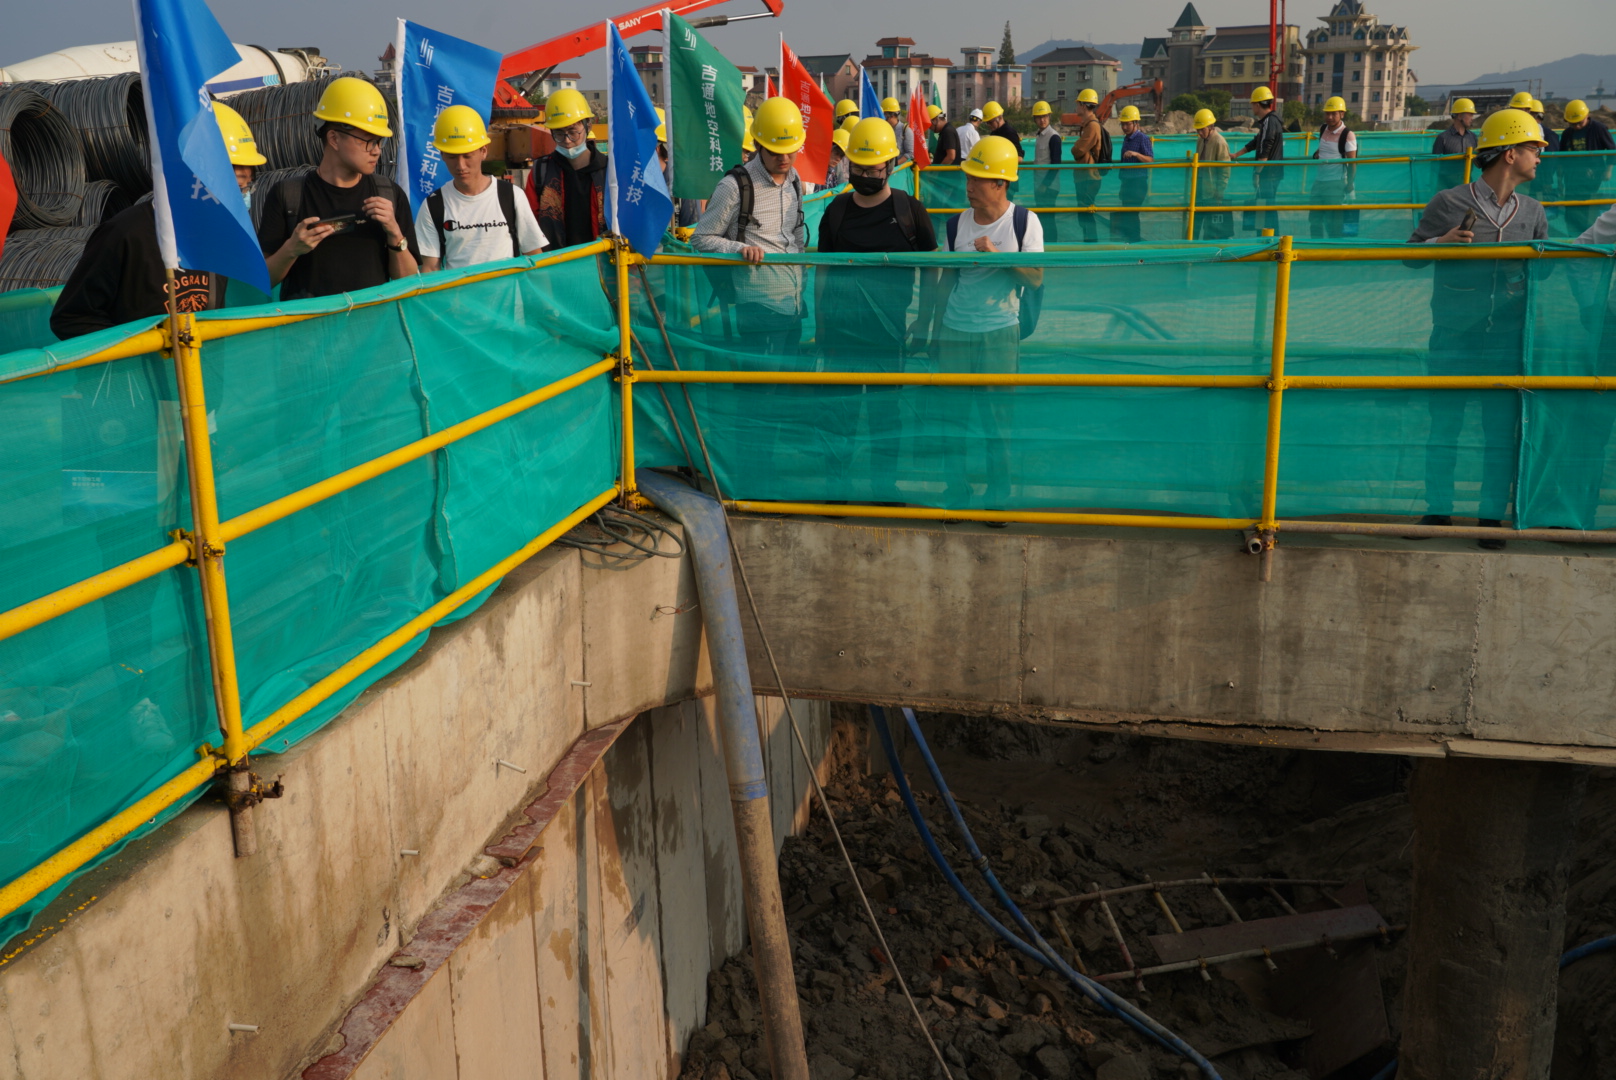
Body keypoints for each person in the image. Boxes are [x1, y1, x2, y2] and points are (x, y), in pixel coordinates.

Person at [1408, 108, 1550, 548]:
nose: (1539, 157)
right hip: (1453, 334)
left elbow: (1544, 272)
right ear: (1509, 153)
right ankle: (1437, 511)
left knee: (1499, 431)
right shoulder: (1449, 203)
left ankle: (1490, 519)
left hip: (1506, 339)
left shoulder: (1533, 212)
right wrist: (1441, 242)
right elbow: (1409, 256)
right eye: (1534, 148)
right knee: (1444, 427)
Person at [52, 104, 264, 338]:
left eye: (247, 188)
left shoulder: (219, 236)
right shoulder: (127, 234)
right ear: (195, 178)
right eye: (236, 187)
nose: (242, 198)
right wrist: (143, 346)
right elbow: (71, 319)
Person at [918, 135, 1043, 508]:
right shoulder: (956, 225)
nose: (969, 187)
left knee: (997, 423)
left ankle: (998, 495)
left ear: (1001, 183)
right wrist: (936, 332)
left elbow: (1035, 278)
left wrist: (996, 256)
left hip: (999, 333)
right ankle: (956, 492)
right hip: (955, 332)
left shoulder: (1024, 222)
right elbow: (947, 282)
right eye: (968, 178)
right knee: (952, 422)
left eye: (978, 180)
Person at [815, 117, 938, 478]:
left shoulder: (910, 211)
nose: (865, 175)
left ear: (890, 165)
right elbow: (822, 272)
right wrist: (821, 324)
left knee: (887, 415)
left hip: (889, 336)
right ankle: (836, 488)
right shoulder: (836, 212)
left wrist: (924, 320)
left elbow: (932, 268)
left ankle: (885, 487)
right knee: (839, 413)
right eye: (858, 168)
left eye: (873, 169)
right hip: (841, 335)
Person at [256, 77, 418, 301]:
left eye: (380, 141)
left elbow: (408, 281)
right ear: (334, 138)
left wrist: (394, 233)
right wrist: (292, 249)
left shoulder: (389, 194)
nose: (376, 150)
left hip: (372, 321)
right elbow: (264, 280)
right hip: (311, 322)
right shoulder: (288, 196)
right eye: (369, 141)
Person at [417, 106, 546, 272]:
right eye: (452, 157)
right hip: (459, 290)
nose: (460, 165)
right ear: (442, 155)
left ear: (483, 151)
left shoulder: (511, 196)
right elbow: (430, 268)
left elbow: (534, 255)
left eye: (467, 156)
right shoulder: (433, 205)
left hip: (508, 290)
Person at [524, 88, 607, 250]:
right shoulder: (541, 172)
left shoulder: (609, 171)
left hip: (602, 261)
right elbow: (529, 224)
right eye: (559, 134)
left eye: (573, 132)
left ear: (588, 126)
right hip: (557, 261)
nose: (567, 141)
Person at [1232, 86, 1285, 233]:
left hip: (1268, 174)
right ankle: (1269, 236)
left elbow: (1265, 150)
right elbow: (1258, 141)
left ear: (1257, 105)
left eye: (1252, 104)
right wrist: (1237, 154)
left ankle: (1269, 237)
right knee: (1267, 206)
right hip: (1273, 173)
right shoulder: (1271, 121)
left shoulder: (1269, 122)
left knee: (1266, 207)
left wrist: (1257, 173)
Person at [1560, 100, 1616, 237]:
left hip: (1592, 177)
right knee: (1571, 208)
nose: (1577, 126)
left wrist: (1608, 170)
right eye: (1573, 124)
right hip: (1572, 177)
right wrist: (1561, 176)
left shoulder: (1599, 129)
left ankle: (1587, 237)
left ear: (1587, 116)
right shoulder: (1567, 133)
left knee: (1586, 207)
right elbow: (1562, 156)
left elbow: (1612, 150)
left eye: (1580, 123)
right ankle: (1573, 236)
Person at [1309, 96, 1358, 239]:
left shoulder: (1348, 135)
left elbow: (1352, 162)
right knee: (1314, 219)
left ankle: (1333, 248)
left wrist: (1350, 184)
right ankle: (1315, 247)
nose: (1329, 117)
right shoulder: (1323, 128)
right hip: (1319, 182)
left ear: (1342, 114)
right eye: (1327, 113)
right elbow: (1323, 148)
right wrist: (1317, 154)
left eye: (1333, 114)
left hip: (1335, 183)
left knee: (1333, 221)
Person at [1067, 89, 1106, 243]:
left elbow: (1078, 150)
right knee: (1084, 213)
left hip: (1089, 177)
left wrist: (1075, 147)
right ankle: (1089, 242)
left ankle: (1091, 244)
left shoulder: (1092, 126)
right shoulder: (1088, 125)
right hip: (1085, 176)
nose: (1076, 107)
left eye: (1078, 104)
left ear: (1083, 106)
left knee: (1087, 213)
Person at [1112, 105, 1153, 242]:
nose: (1124, 127)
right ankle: (1130, 239)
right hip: (1127, 182)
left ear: (1136, 123)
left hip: (1138, 183)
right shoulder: (1126, 139)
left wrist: (1136, 154)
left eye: (1127, 124)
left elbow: (1150, 160)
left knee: (1132, 213)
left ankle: (1134, 240)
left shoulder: (1142, 138)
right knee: (1127, 212)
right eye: (1122, 124)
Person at [1193, 108, 1233, 240]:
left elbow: (1224, 170)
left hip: (1211, 191)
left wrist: (1219, 192)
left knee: (1210, 226)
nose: (1199, 133)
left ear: (1210, 127)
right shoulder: (1200, 140)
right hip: (1199, 188)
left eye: (1202, 129)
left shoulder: (1219, 142)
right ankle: (1191, 245)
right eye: (1198, 130)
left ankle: (1208, 247)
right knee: (1194, 222)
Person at [1029, 101, 1062, 241]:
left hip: (1049, 187)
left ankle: (1052, 245)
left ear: (1049, 117)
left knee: (1048, 219)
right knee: (1041, 219)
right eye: (1039, 117)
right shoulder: (1040, 136)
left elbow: (1056, 165)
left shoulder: (1054, 137)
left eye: (1045, 116)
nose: (1042, 120)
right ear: (1035, 119)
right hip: (1039, 185)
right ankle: (1044, 244)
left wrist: (1045, 185)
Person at [881, 96, 915, 163]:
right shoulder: (882, 130)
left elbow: (910, 153)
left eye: (884, 114)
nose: (882, 117)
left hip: (900, 168)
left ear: (892, 115)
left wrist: (894, 165)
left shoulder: (906, 131)